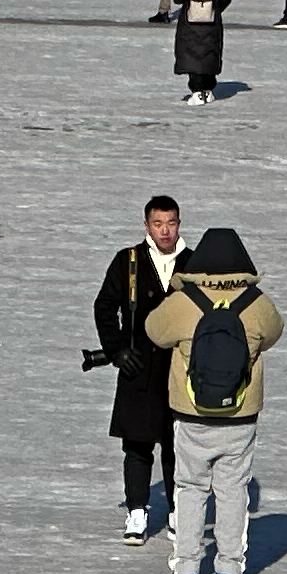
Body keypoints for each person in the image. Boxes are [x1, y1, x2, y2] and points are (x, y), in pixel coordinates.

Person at [146, 227, 281, 574]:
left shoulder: (184, 301)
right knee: (233, 489)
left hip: (191, 413)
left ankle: (187, 567)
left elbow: (154, 331)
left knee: (190, 487)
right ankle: (230, 569)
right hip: (240, 413)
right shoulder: (257, 302)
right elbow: (275, 332)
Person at [98, 195, 189, 542]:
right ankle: (137, 511)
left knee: (176, 443)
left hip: (179, 368)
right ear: (147, 225)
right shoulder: (129, 261)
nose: (165, 230)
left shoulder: (194, 264)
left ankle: (180, 511)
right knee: (136, 444)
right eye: (158, 223)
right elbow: (105, 305)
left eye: (171, 223)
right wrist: (117, 349)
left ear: (179, 224)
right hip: (137, 366)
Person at [171, 0, 233, 107]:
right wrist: (216, 8)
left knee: (191, 54)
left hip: (189, 23)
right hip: (212, 23)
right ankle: (208, 89)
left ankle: (197, 91)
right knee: (209, 53)